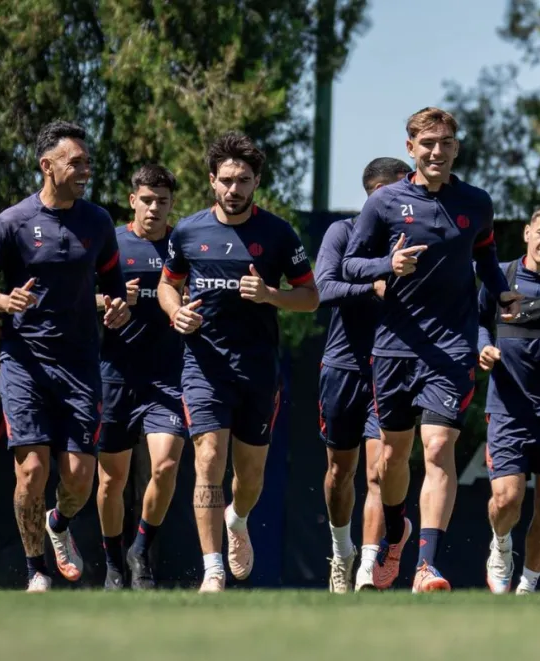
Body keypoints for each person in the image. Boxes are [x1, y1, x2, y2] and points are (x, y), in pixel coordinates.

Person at [342, 107, 521, 593]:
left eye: (445, 143)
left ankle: (426, 566)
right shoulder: (383, 205)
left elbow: (484, 253)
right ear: (410, 149)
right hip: (395, 347)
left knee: (438, 448)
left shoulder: (476, 203)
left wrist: (499, 288)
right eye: (427, 144)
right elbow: (351, 265)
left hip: (452, 347)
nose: (436, 152)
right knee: (390, 461)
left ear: (456, 148)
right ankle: (396, 530)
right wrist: (388, 264)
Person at [0, 120, 130, 592]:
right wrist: (4, 300)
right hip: (25, 363)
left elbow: (113, 283)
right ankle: (36, 569)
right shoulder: (12, 222)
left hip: (80, 364)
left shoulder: (97, 222)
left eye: (87, 163)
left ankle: (59, 523)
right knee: (32, 469)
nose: (84, 171)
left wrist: (116, 307)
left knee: (78, 478)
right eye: (74, 162)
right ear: (47, 166)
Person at [158, 131, 319, 593]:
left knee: (248, 477)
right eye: (226, 179)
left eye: (243, 180)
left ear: (256, 183)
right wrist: (175, 311)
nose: (234, 189)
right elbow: (169, 284)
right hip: (204, 367)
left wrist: (271, 295)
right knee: (208, 458)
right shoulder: (187, 231)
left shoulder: (277, 233)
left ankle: (238, 517)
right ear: (212, 181)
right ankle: (212, 569)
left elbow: (310, 297)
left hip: (258, 370)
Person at [315, 157, 411, 593]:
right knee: (340, 471)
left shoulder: (414, 240)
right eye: (392, 193)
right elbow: (322, 287)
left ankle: (368, 569)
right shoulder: (344, 232)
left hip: (391, 368)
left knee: (379, 470)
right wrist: (371, 284)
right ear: (375, 193)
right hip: (343, 367)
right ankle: (342, 550)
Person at [95, 164, 188, 590]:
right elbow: (77, 295)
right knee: (111, 480)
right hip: (115, 377)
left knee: (166, 464)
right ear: (133, 199)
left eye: (162, 202)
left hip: (168, 378)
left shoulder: (182, 245)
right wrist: (110, 301)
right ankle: (114, 563)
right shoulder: (111, 242)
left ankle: (140, 551)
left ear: (172, 205)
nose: (154, 208)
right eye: (146, 200)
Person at [478, 205, 540, 595]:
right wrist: (482, 347)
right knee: (507, 498)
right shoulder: (502, 277)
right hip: (507, 408)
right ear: (528, 233)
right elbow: (478, 321)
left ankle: (527, 586)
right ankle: (500, 546)